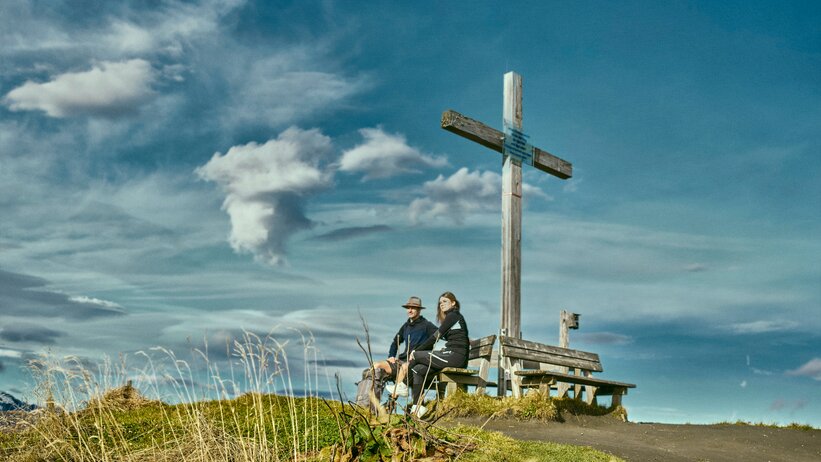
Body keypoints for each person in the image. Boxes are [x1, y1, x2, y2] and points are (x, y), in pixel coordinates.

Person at [404, 291, 470, 417]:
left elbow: (435, 337)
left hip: (456, 357)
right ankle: (418, 407)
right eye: (440, 302)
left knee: (418, 356)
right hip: (450, 354)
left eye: (445, 301)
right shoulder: (450, 318)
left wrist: (417, 351)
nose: (441, 304)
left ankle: (402, 384)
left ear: (453, 303)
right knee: (418, 369)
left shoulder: (454, 315)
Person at [370, 296, 437, 391]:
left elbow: (439, 335)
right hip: (401, 361)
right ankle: (371, 401)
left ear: (419, 310)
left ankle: (392, 400)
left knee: (404, 368)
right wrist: (391, 356)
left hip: (415, 362)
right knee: (376, 366)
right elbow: (395, 342)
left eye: (413, 308)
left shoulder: (427, 325)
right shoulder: (406, 326)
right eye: (408, 308)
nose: (410, 310)